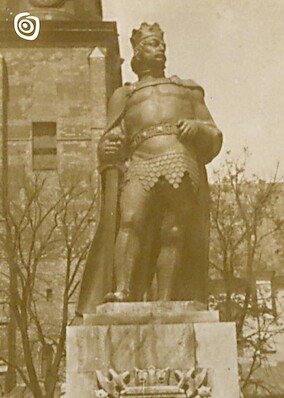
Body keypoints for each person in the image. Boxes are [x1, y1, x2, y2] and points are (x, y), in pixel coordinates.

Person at [77, 21, 222, 314]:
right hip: (141, 163)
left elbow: (214, 132)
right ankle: (122, 290)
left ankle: (168, 298)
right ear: (138, 54)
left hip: (179, 160)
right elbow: (111, 137)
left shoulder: (187, 90)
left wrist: (198, 128)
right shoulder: (125, 95)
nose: (161, 51)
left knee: (174, 231)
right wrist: (106, 150)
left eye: (162, 46)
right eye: (153, 45)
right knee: (129, 220)